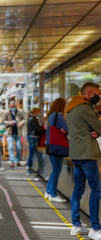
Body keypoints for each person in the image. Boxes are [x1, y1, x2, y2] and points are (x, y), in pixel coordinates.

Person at [66, 82, 101, 239]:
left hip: (76, 154)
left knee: (78, 190)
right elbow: (99, 127)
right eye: (97, 93)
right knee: (97, 189)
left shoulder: (71, 108)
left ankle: (76, 225)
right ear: (89, 93)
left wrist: (94, 131)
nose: (99, 97)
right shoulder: (85, 108)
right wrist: (97, 131)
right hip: (87, 154)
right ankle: (95, 228)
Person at [44, 98, 68, 203]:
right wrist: (64, 130)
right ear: (61, 105)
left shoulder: (50, 116)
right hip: (57, 145)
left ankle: (48, 192)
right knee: (56, 170)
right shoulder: (59, 115)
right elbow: (66, 128)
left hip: (50, 145)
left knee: (54, 170)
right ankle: (53, 194)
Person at [3, 99, 25, 167]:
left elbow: (24, 119)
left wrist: (22, 122)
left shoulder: (20, 112)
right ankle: (12, 161)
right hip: (10, 132)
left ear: (15, 105)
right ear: (9, 105)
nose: (12, 106)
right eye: (11, 105)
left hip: (18, 132)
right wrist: (9, 123)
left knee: (18, 147)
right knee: (11, 147)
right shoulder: (6, 112)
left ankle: (17, 160)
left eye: (14, 105)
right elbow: (3, 121)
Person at [26, 108, 45, 175]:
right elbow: (37, 129)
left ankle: (30, 168)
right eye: (38, 112)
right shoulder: (33, 119)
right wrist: (44, 130)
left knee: (32, 153)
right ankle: (29, 168)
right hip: (33, 137)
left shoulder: (31, 119)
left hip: (31, 137)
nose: (38, 114)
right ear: (35, 112)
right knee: (32, 154)